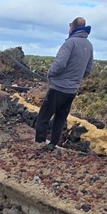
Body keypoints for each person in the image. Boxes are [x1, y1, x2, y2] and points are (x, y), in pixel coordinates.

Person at [34, 18, 95, 151]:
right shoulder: (89, 45)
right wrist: (75, 79)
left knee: (43, 117)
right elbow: (88, 69)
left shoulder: (70, 43)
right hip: (72, 90)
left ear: (72, 27)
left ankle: (39, 143)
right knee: (60, 119)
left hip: (58, 88)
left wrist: (50, 74)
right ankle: (53, 144)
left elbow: (59, 64)